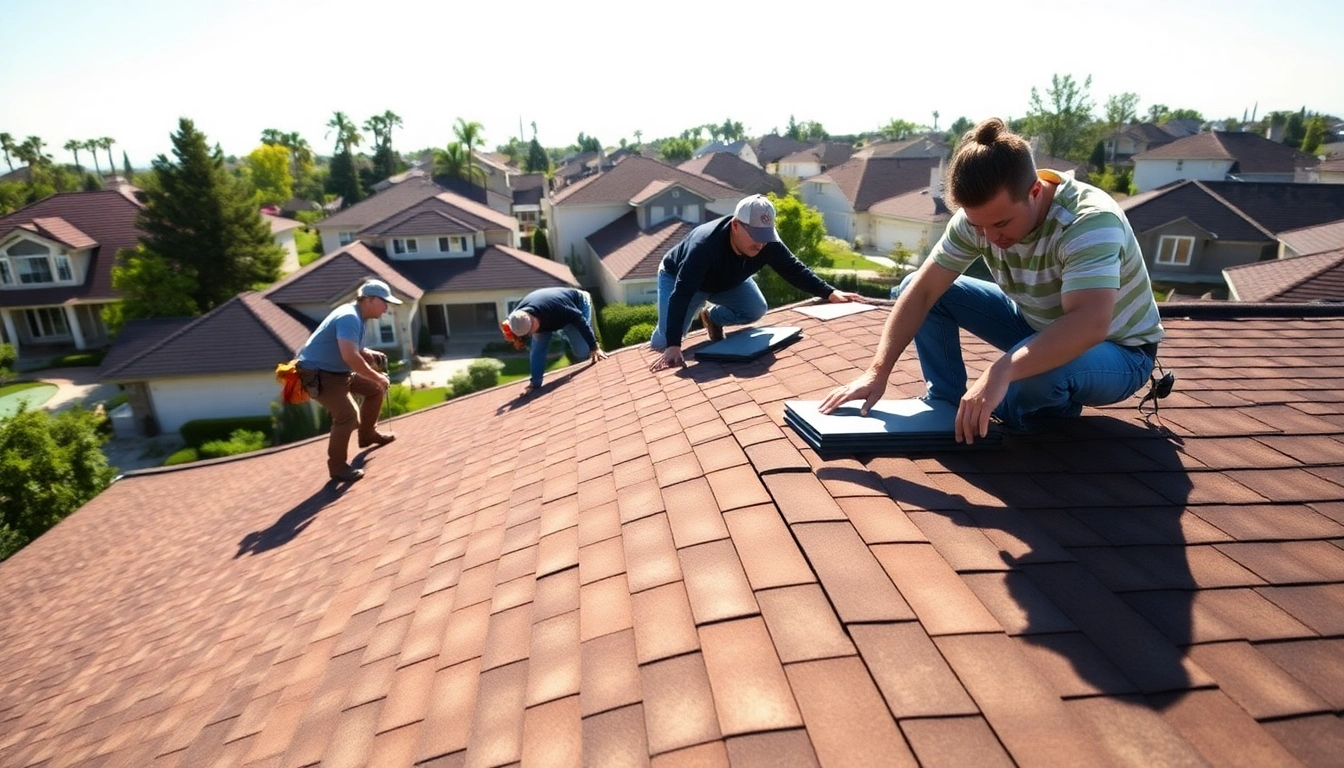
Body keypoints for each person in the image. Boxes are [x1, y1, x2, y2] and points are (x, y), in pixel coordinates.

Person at [820, 118, 1164, 443]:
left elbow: (1089, 324)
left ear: (1033, 192)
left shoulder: (1088, 222)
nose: (988, 236)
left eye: (1000, 224)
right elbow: (924, 292)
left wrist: (1000, 372)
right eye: (977, 225)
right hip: (1035, 324)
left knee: (1021, 392)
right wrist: (876, 371)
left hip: (1118, 350)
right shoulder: (980, 221)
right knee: (911, 285)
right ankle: (946, 404)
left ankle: (1043, 406)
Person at [648, 194, 864, 372]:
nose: (761, 243)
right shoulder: (703, 246)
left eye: (765, 234)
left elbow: (794, 269)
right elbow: (682, 293)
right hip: (681, 279)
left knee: (756, 309)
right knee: (663, 343)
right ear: (735, 225)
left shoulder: (768, 243)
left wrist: (829, 292)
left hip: (726, 280)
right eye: (755, 235)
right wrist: (674, 345)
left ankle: (712, 316)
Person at [295, 279, 401, 482]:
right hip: (319, 374)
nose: (387, 308)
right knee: (347, 417)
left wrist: (368, 354)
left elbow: (353, 350)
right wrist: (377, 376)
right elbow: (350, 357)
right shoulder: (349, 317)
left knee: (374, 389)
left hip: (338, 372)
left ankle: (368, 435)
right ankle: (337, 467)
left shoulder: (357, 316)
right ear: (368, 299)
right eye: (384, 302)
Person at [503, 286, 608, 394]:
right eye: (529, 333)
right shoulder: (517, 317)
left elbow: (580, 320)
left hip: (577, 305)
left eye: (532, 328)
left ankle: (591, 344)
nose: (533, 332)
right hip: (553, 316)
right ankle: (536, 381)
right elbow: (537, 352)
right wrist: (535, 385)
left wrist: (594, 347)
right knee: (538, 347)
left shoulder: (557, 308)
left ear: (532, 318)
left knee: (582, 350)